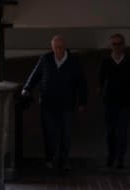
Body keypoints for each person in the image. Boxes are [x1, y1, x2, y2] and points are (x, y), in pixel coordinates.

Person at [22, 34, 87, 171]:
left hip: (67, 104)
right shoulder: (45, 59)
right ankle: (50, 158)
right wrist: (26, 88)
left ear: (65, 47)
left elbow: (82, 83)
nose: (58, 50)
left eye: (61, 47)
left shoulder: (73, 61)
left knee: (66, 134)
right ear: (52, 48)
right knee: (49, 133)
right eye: (56, 47)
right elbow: (35, 75)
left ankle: (64, 160)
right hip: (48, 103)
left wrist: (82, 101)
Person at [98, 33, 130, 169]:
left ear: (123, 45)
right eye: (114, 44)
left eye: (119, 44)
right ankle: (111, 156)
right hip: (109, 102)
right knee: (110, 132)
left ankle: (120, 158)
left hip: (124, 103)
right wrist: (103, 96)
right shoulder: (106, 62)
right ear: (111, 46)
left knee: (122, 132)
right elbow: (101, 81)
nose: (117, 47)